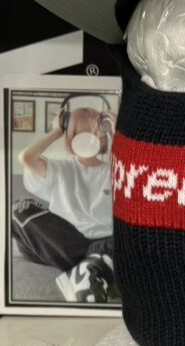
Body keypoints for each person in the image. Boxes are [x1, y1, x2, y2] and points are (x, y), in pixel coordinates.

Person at [12, 103, 116, 303]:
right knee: (19, 209)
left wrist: (120, 132)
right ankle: (94, 265)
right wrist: (56, 131)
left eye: (94, 131)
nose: (88, 137)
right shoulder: (59, 169)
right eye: (80, 132)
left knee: (129, 237)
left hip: (105, 242)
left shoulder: (115, 170)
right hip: (65, 241)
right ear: (70, 136)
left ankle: (90, 269)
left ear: (104, 134)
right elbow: (26, 157)